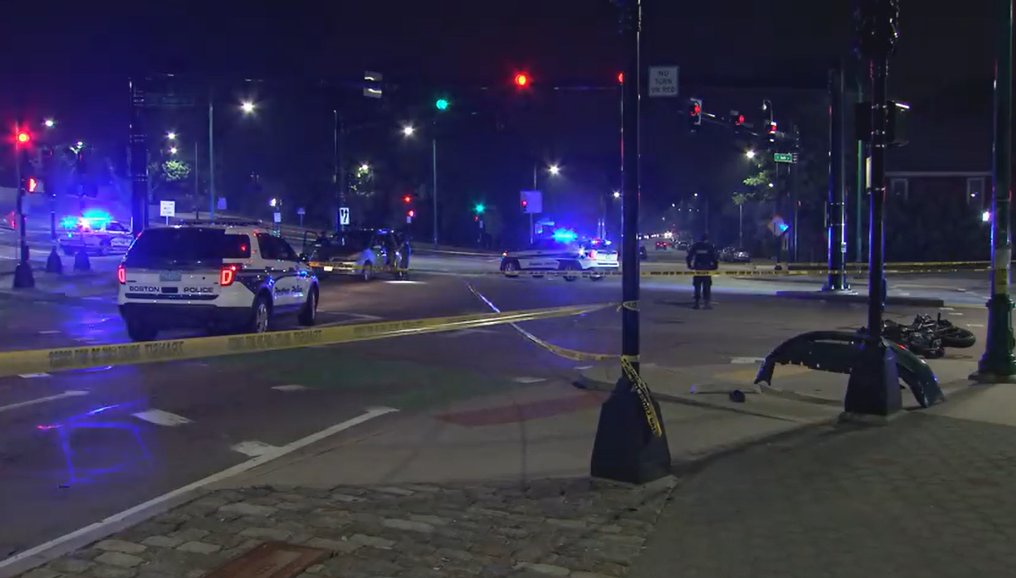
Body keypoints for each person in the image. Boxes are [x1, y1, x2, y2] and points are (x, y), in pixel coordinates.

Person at [686, 232, 718, 309]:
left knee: (697, 285)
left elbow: (689, 256)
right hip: (707, 268)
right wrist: (715, 266)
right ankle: (706, 304)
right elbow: (714, 257)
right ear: (707, 239)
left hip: (698, 268)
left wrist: (689, 265)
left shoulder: (696, 246)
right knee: (707, 285)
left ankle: (696, 303)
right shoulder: (709, 246)